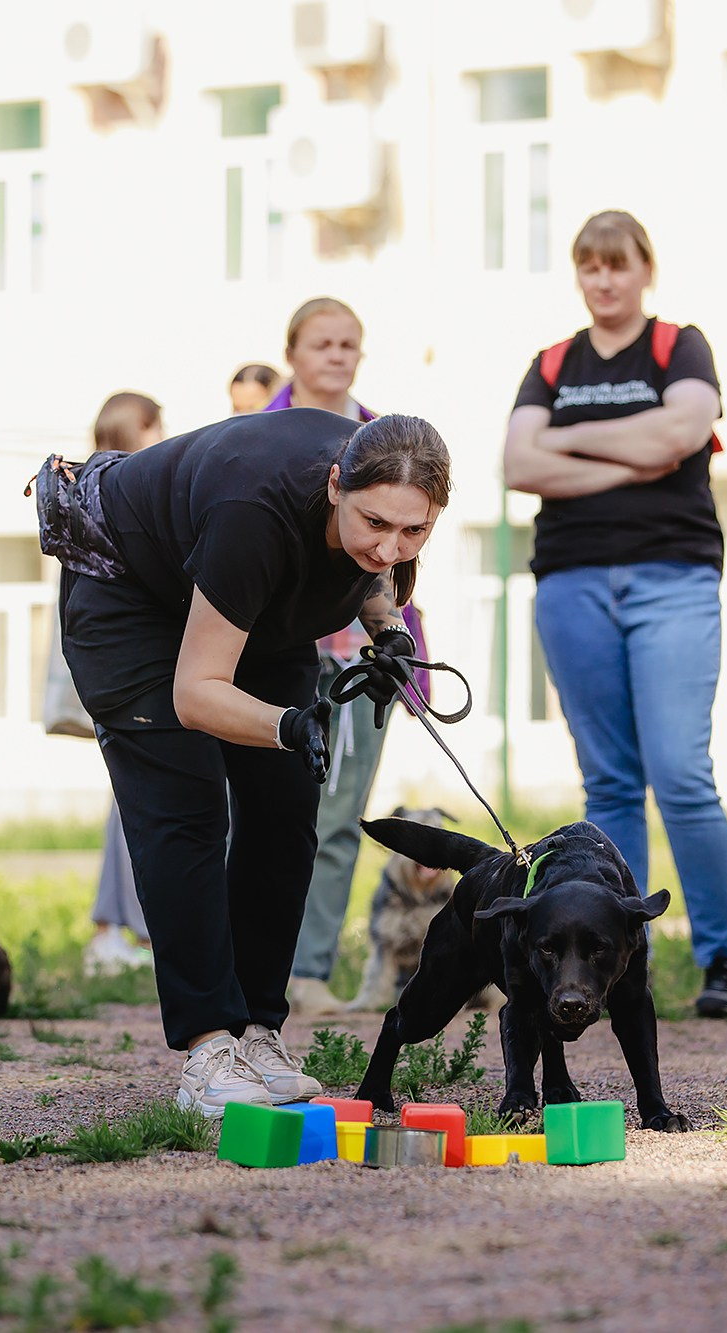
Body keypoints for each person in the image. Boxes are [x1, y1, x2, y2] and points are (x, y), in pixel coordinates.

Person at [53, 409, 449, 1115]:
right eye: (376, 523)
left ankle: (258, 1031)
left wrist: (388, 631)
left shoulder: (385, 494)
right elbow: (197, 693)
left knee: (286, 803)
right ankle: (208, 1051)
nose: (391, 547)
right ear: (335, 484)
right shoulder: (254, 511)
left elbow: (368, 568)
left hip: (246, 600)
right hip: (130, 593)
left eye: (413, 530)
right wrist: (287, 722)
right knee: (188, 808)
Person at [502, 209, 727, 1018]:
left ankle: (724, 961)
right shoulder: (550, 361)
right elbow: (516, 462)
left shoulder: (682, 346)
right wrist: (637, 447)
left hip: (670, 578)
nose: (604, 280)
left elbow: (682, 434)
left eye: (619, 265)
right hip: (571, 581)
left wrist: (572, 447)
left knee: (681, 773)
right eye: (590, 266)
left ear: (646, 268)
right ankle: (622, 964)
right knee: (608, 782)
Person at [257, 298, 423, 1016]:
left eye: (348, 343)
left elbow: (398, 561)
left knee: (339, 818)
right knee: (264, 815)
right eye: (321, 342)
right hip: (273, 649)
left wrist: (405, 653)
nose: (335, 354)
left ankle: (312, 972)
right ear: (292, 353)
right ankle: (254, 966)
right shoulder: (257, 432)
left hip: (358, 657)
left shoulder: (381, 437)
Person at [81, 392, 164, 977]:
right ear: (142, 429)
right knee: (143, 799)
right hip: (142, 668)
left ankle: (118, 929)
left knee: (132, 797)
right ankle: (123, 930)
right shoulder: (134, 491)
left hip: (113, 666)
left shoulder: (84, 488)